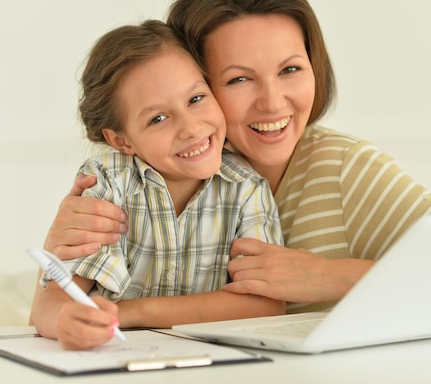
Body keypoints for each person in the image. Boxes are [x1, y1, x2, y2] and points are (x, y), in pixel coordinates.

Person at [43, 0, 431, 322]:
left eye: (290, 70)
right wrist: (59, 246)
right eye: (239, 79)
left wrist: (330, 278)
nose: (273, 102)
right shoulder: (146, 177)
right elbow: (53, 313)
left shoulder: (342, 170)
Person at [30, 19, 285, 350]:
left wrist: (129, 313)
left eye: (196, 98)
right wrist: (66, 321)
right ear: (121, 140)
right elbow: (50, 305)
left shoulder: (246, 186)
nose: (191, 128)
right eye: (158, 119)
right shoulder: (108, 182)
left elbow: (265, 305)